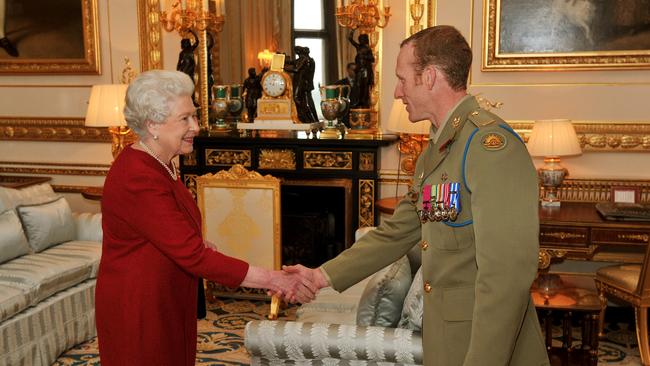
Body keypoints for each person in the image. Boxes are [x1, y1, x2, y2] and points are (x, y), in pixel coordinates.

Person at [285, 26, 549, 366]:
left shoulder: (489, 147)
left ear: (430, 77)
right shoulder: (436, 151)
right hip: (444, 338)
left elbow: (507, 274)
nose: (396, 92)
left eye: (402, 79)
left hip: (484, 348)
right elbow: (399, 230)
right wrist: (321, 275)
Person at [95, 70, 317, 366]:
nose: (196, 127)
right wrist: (274, 278)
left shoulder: (164, 163)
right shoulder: (138, 175)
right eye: (184, 119)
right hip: (140, 306)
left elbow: (169, 233)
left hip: (167, 296)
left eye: (194, 116)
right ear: (153, 125)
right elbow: (192, 255)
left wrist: (197, 244)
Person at [290, 45, 319, 123]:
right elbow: (294, 62)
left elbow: (296, 69)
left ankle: (307, 118)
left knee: (301, 101)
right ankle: (312, 119)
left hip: (303, 84)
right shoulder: (309, 59)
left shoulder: (304, 59)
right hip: (307, 84)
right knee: (308, 102)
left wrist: (283, 68)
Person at [348, 30, 374, 108]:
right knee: (358, 85)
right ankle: (359, 100)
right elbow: (350, 39)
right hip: (359, 69)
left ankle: (364, 101)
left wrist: (364, 56)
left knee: (365, 85)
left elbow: (372, 59)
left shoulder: (368, 49)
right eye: (360, 39)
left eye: (362, 39)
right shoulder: (358, 46)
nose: (361, 40)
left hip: (365, 69)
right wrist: (353, 29)